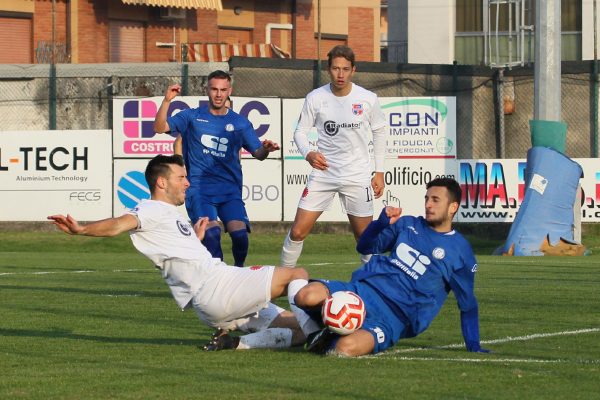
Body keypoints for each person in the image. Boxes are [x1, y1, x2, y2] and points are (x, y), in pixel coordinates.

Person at [48, 154, 308, 351]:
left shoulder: (169, 214)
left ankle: (234, 343)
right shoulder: (148, 209)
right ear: (162, 182)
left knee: (299, 332)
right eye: (181, 177)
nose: (187, 182)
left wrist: (195, 238)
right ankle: (329, 332)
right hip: (217, 287)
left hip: (211, 301)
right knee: (296, 274)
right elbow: (118, 224)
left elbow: (174, 252)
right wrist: (81, 229)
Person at [289, 177, 490, 356]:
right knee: (305, 296)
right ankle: (319, 331)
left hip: (395, 317)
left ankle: (329, 335)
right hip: (363, 291)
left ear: (453, 207)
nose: (428, 205)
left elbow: (468, 304)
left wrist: (473, 344)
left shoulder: (460, 252)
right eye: (426, 199)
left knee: (344, 349)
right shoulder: (408, 224)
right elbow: (365, 246)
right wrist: (381, 223)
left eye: (435, 200)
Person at [154, 71, 279, 267]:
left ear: (229, 91)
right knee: (212, 235)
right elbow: (159, 127)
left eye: (223, 90)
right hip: (199, 190)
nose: (218, 94)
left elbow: (258, 154)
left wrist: (266, 149)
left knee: (240, 237)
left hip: (229, 190)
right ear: (207, 90)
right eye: (214, 89)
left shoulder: (240, 123)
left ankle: (237, 273)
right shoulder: (192, 116)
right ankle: (217, 280)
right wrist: (167, 101)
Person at [280, 45, 387, 268]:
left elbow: (379, 132)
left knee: (364, 238)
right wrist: (308, 153)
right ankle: (281, 279)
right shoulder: (316, 98)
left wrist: (379, 171)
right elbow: (300, 131)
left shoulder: (367, 98)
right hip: (324, 174)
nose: (341, 74)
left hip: (357, 175)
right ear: (329, 69)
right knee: (298, 231)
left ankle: (376, 282)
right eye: (336, 69)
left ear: (353, 70)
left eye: (345, 69)